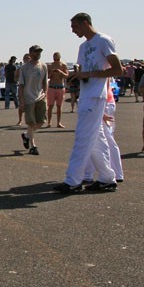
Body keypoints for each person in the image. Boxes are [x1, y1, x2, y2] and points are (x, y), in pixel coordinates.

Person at [54, 13, 122, 193]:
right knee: (96, 140)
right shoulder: (83, 47)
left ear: (85, 23)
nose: (73, 31)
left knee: (83, 137)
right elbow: (82, 71)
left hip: (96, 96)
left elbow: (118, 69)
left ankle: (73, 181)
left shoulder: (104, 41)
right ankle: (107, 178)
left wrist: (89, 74)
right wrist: (74, 75)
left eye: (75, 27)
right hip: (86, 94)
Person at [17, 45, 48, 155]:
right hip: (28, 99)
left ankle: (26, 135)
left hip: (40, 97)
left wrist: (45, 94)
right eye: (36, 51)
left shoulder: (43, 66)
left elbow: (45, 82)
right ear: (30, 53)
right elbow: (21, 85)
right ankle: (33, 146)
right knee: (31, 123)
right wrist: (21, 101)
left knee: (41, 122)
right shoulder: (24, 68)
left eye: (39, 51)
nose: (38, 53)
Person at [46, 52, 68, 128]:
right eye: (55, 58)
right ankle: (49, 122)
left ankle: (58, 122)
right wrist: (52, 73)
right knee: (50, 106)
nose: (56, 60)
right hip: (52, 87)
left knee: (59, 106)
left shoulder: (63, 65)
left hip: (60, 87)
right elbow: (47, 77)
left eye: (57, 58)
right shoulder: (50, 65)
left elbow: (66, 76)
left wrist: (60, 72)